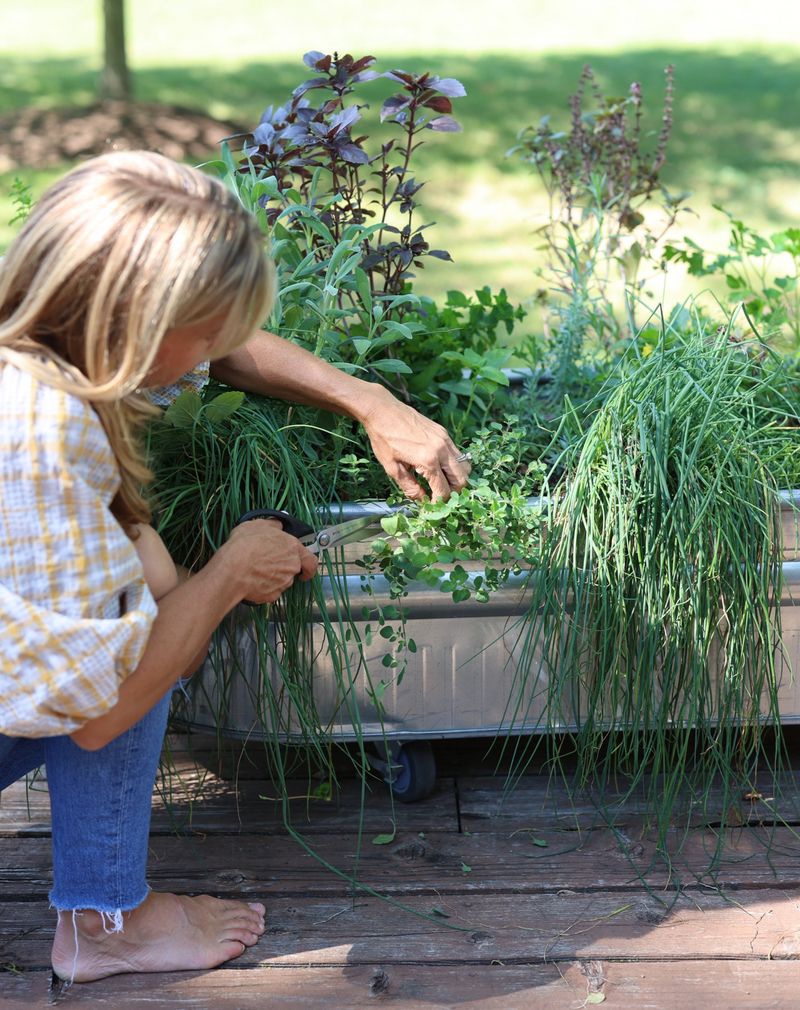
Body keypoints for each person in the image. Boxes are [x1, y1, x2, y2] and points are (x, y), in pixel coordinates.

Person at [0, 150, 469, 988]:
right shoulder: (41, 439)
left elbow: (222, 348)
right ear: (139, 320)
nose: (221, 346)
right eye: (208, 326)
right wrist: (229, 574)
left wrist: (371, 401)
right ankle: (105, 927)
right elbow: (101, 710)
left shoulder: (47, 329)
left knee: (149, 579)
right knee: (147, 621)